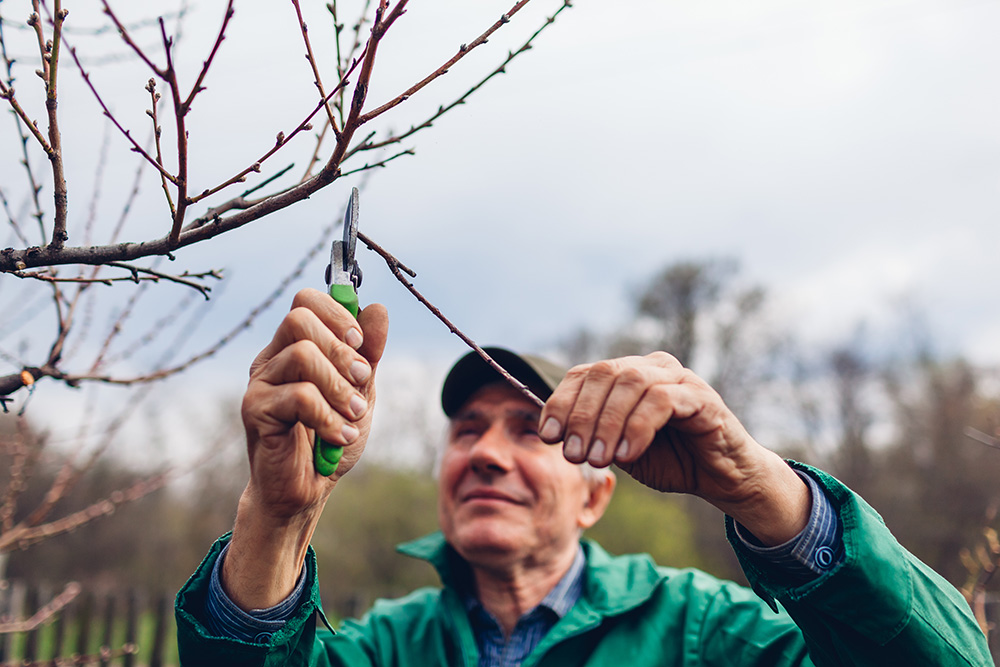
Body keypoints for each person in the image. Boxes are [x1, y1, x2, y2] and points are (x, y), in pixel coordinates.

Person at [175, 290, 990, 665]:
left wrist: (758, 485)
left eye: (530, 429)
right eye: (466, 431)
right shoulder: (387, 647)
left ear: (598, 492)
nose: (486, 451)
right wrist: (276, 517)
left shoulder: (706, 635)